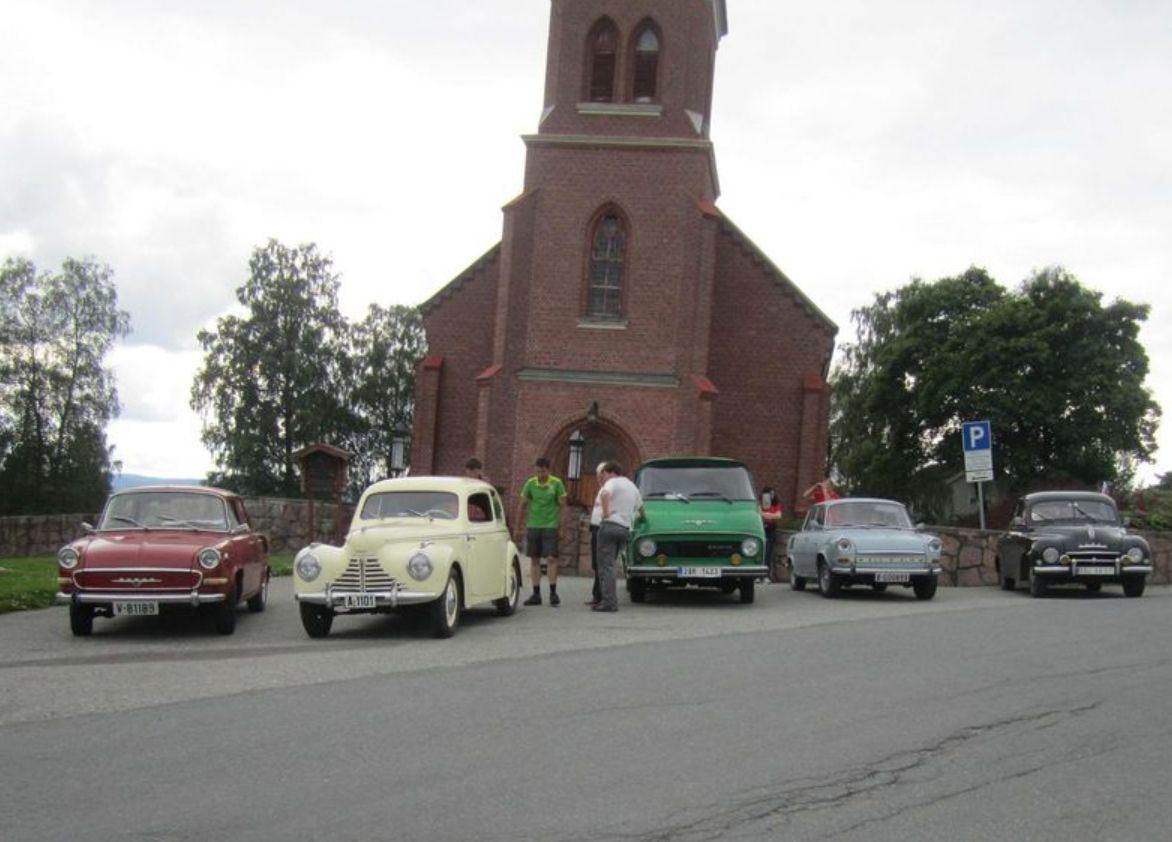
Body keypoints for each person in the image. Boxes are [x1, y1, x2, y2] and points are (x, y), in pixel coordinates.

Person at [593, 461, 644, 613]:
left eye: (603, 474)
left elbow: (604, 494)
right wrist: (643, 519)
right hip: (624, 529)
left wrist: (606, 513)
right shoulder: (632, 486)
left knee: (606, 566)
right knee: (611, 565)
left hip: (609, 526)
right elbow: (642, 509)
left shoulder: (612, 482)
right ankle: (609, 600)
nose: (603, 478)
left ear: (609, 472)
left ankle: (609, 603)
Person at [518, 456, 568, 606]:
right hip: (533, 525)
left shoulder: (556, 483)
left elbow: (563, 506)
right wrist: (518, 527)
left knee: (551, 558)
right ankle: (536, 594)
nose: (540, 474)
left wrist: (563, 527)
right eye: (538, 471)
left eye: (543, 471)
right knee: (534, 559)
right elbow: (522, 505)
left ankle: (553, 593)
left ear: (548, 470)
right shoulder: (530, 483)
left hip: (550, 526)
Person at [585, 462, 607, 607]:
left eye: (600, 475)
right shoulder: (602, 489)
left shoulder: (608, 489)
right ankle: (596, 595)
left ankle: (600, 596)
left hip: (602, 528)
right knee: (596, 564)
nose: (598, 478)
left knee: (601, 564)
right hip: (596, 528)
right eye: (598, 475)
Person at [759, 486, 783, 581]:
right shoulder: (759, 503)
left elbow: (778, 516)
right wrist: (771, 515)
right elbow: (758, 513)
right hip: (761, 529)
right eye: (770, 494)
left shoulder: (776, 503)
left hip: (771, 530)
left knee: (768, 552)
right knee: (760, 551)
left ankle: (766, 575)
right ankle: (758, 575)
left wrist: (766, 515)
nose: (772, 495)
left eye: (773, 494)